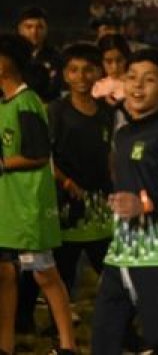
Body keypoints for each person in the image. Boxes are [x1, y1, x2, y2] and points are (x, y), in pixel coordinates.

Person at [91, 47, 158, 354]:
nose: (138, 85)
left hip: (156, 252)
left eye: (149, 79)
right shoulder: (123, 134)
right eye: (131, 77)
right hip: (122, 249)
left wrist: (144, 204)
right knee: (105, 332)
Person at [0, 33, 78, 355]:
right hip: (9, 207)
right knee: (5, 275)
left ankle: (68, 346)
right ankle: (5, 345)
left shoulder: (27, 102)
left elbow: (38, 154)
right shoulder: (5, 103)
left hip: (29, 207)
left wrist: (2, 164)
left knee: (45, 274)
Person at [48, 43, 115, 296]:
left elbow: (110, 155)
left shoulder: (107, 112)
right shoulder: (57, 111)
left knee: (110, 269)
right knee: (63, 271)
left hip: (100, 205)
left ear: (99, 72)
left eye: (88, 69)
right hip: (67, 205)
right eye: (74, 70)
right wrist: (66, 183)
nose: (81, 76)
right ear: (65, 75)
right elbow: (46, 157)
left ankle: (120, 318)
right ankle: (60, 317)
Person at [15, 5, 63, 103]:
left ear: (46, 29)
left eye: (40, 27)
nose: (34, 32)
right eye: (29, 27)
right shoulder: (10, 57)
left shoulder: (56, 57)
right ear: (20, 29)